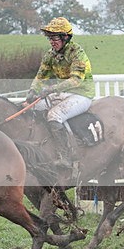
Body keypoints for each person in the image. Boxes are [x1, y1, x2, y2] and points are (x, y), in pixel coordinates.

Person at [24, 17, 94, 172]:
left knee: (54, 115)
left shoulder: (77, 53)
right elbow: (41, 76)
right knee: (33, 108)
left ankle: (66, 157)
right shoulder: (50, 55)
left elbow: (76, 80)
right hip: (62, 94)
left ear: (65, 37)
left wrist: (51, 89)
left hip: (82, 94)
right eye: (50, 38)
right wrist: (32, 91)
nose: (51, 41)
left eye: (54, 38)